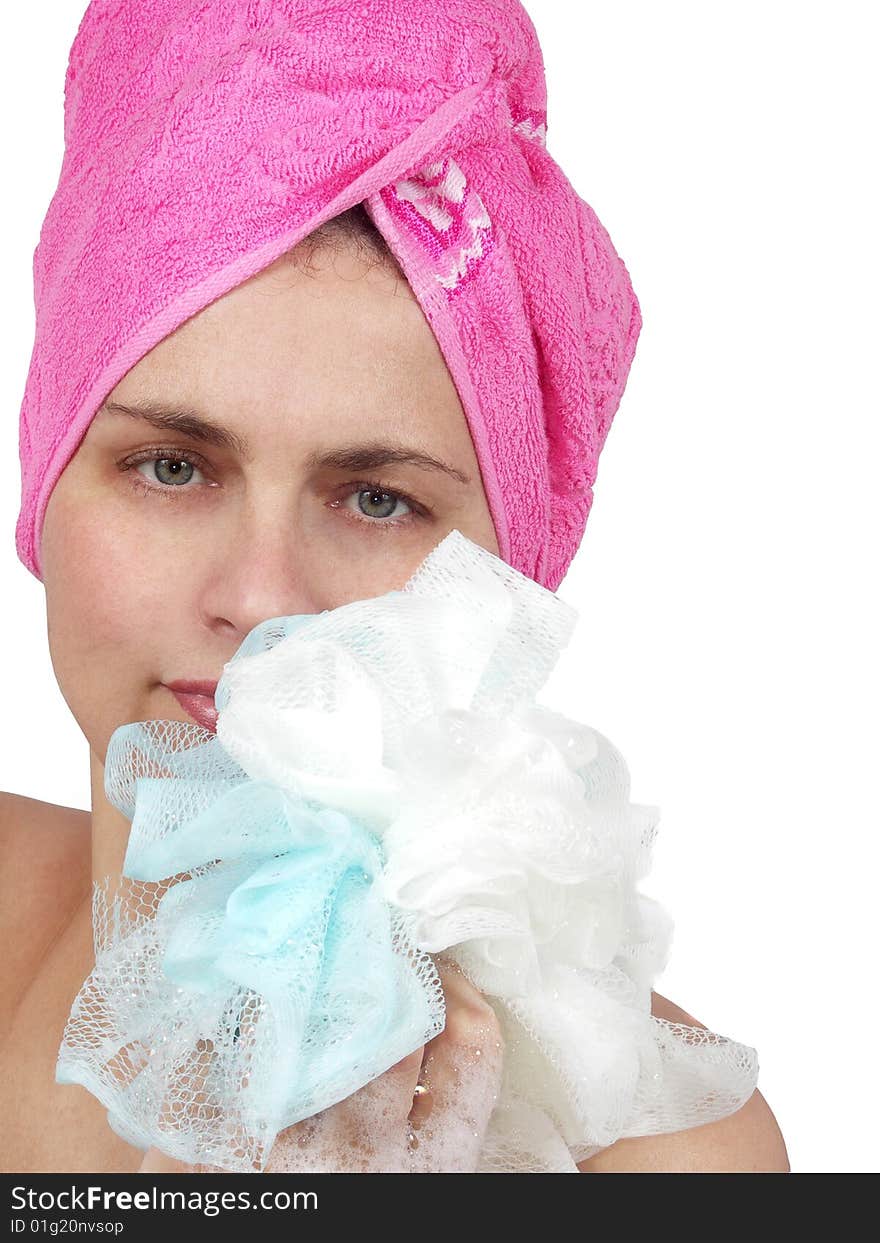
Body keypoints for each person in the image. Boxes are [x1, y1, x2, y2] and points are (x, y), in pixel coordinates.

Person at [1, 1, 789, 1174]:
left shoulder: (662, 1149)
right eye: (171, 466)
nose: (263, 599)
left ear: (508, 577)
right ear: (46, 484)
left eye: (377, 498)